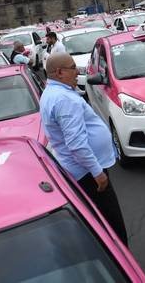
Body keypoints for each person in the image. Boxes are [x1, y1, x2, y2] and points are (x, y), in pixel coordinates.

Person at [39, 52, 128, 245]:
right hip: (88, 173)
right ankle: (128, 271)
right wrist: (97, 172)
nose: (77, 72)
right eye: (73, 68)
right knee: (112, 224)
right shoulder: (64, 100)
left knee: (102, 222)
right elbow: (76, 143)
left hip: (83, 170)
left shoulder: (53, 93)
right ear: (60, 72)